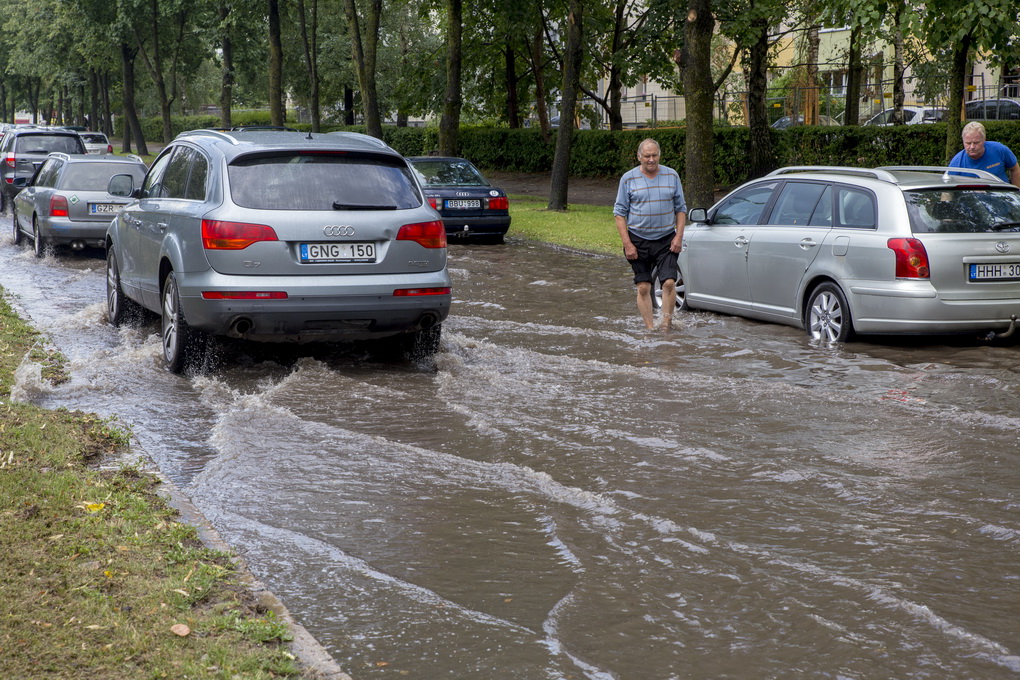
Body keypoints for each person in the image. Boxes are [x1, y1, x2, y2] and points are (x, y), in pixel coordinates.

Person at [614, 138, 687, 330]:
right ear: (639, 157)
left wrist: (678, 237)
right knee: (644, 286)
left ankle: (666, 325)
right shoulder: (628, 179)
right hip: (638, 240)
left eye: (654, 155)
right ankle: (649, 329)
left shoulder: (672, 175)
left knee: (669, 282)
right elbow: (619, 213)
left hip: (666, 239)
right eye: (647, 156)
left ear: (659, 155)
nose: (651, 159)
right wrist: (628, 244)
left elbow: (681, 209)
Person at [949, 121, 1020, 189]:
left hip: (1001, 195)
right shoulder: (956, 164)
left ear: (984, 140)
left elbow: (1015, 169)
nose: (972, 147)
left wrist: (1017, 192)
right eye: (968, 143)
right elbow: (949, 190)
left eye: (976, 143)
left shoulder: (999, 150)